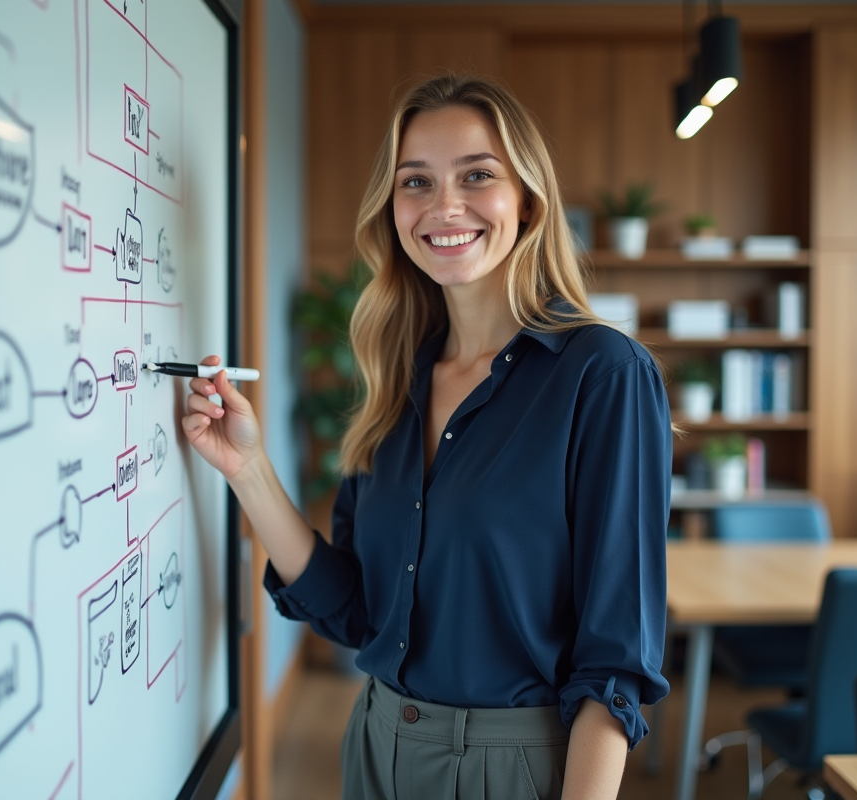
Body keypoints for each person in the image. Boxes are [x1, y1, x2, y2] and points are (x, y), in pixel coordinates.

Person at [180, 74, 671, 800]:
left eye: (477, 175)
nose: (444, 206)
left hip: (516, 770)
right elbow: (356, 611)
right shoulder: (398, 376)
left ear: (527, 201)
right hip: (375, 748)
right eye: (417, 182)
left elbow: (616, 665)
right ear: (393, 207)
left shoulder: (602, 374)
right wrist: (247, 468)